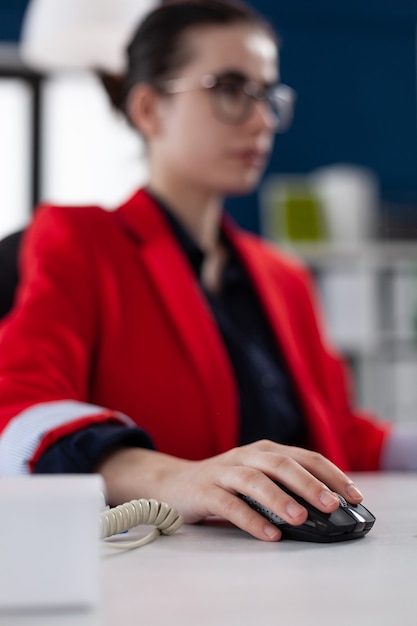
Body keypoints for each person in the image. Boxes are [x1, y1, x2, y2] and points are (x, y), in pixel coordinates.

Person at [0, 0, 415, 542]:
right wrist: (172, 476)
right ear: (148, 109)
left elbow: (336, 433)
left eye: (267, 95)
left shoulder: (283, 275)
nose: (262, 118)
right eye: (229, 89)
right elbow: (18, 406)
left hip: (315, 575)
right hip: (177, 583)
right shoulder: (80, 240)